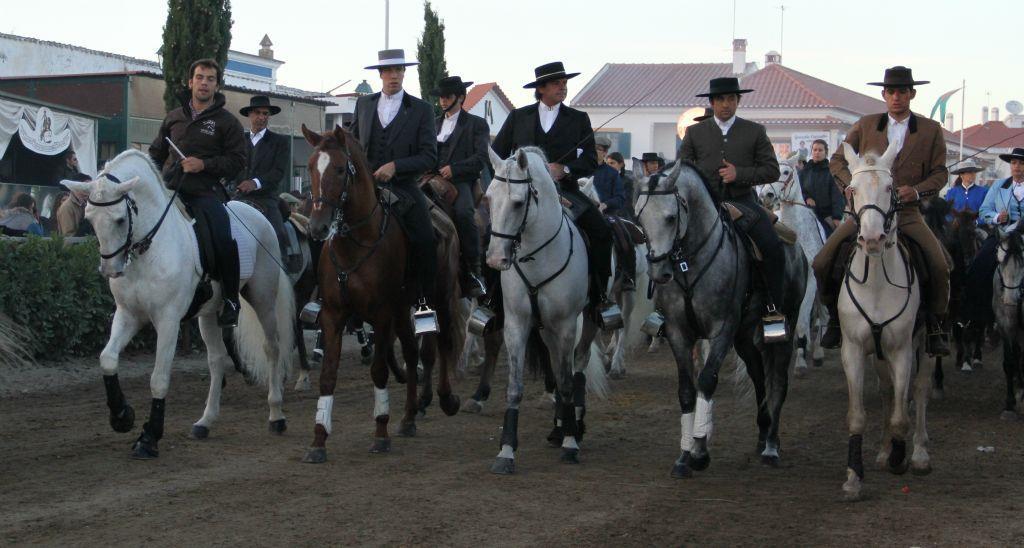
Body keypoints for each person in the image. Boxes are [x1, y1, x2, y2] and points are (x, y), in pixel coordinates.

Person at [815, 66, 951, 355]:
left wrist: (915, 191)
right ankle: (835, 323)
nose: (897, 97)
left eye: (903, 91)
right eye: (891, 92)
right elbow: (838, 161)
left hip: (908, 213)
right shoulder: (864, 125)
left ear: (912, 94)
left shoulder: (930, 130)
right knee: (821, 262)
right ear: (884, 94)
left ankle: (936, 325)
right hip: (865, 214)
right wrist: (849, 187)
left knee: (940, 265)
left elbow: (940, 174)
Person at [492, 61, 614, 309]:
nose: (563, 88)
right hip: (522, 193)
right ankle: (492, 301)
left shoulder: (578, 118)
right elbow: (498, 154)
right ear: (541, 88)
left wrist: (566, 168)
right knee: (492, 235)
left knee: (601, 231)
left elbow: (590, 158)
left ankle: (600, 296)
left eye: (564, 83)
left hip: (567, 190)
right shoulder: (518, 117)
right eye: (557, 83)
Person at [149, 58, 247, 328]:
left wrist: (203, 164)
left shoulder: (227, 122)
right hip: (171, 191)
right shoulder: (173, 117)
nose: (204, 82)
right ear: (190, 81)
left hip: (205, 193)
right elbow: (155, 155)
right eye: (200, 77)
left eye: (210, 78)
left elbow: (238, 161)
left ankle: (230, 301)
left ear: (217, 84)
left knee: (223, 236)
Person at [679, 76, 784, 316]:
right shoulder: (695, 133)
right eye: (720, 99)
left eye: (730, 99)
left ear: (738, 101)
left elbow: (772, 170)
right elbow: (682, 169)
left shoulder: (755, 131)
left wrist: (740, 174)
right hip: (703, 205)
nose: (726, 104)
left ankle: (773, 308)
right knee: (669, 245)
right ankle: (666, 311)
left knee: (772, 246)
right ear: (713, 102)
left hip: (744, 203)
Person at [350, 49, 439, 316]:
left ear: (404, 73)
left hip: (404, 187)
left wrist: (396, 166)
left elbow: (429, 156)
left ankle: (423, 303)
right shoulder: (363, 105)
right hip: (365, 187)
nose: (394, 76)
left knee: (425, 238)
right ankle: (324, 297)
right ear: (380, 74)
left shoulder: (422, 109)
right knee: (327, 227)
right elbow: (353, 144)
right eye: (389, 71)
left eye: (399, 70)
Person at [430, 75, 489, 298]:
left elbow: (481, 157)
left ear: (460, 98)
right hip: (430, 178)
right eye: (441, 98)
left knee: (464, 213)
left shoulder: (476, 124)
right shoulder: (433, 123)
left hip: (460, 180)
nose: (443, 101)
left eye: (448, 97)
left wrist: (454, 169)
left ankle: (474, 271)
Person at [232, 95, 298, 272]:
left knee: (277, 233)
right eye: (258, 113)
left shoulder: (279, 142)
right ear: (250, 115)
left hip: (266, 198)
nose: (262, 117)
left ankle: (282, 267)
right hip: (237, 196)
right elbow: (231, 166)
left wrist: (255, 183)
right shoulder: (238, 140)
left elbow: (278, 172)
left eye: (265, 114)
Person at [964, 148, 1024, 326]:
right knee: (978, 266)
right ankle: (976, 318)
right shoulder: (999, 186)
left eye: (1021, 163)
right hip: (1003, 234)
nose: (1017, 167)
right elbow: (984, 211)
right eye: (1014, 163)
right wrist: (997, 217)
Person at [592, 136, 636, 291]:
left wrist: (605, 204)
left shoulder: (611, 173)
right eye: (594, 148)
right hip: (581, 212)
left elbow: (620, 198)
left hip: (606, 214)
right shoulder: (579, 169)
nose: (595, 151)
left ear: (605, 153)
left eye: (599, 149)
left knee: (624, 239)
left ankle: (628, 276)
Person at [799, 139, 845, 235]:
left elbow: (837, 195)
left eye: (820, 150)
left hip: (827, 216)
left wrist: (836, 217)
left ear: (826, 152)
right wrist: (806, 198)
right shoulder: (805, 171)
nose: (817, 152)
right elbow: (799, 189)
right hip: (807, 215)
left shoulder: (831, 172)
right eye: (815, 150)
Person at [605, 151, 634, 219]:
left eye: (612, 163)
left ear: (621, 164)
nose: (609, 166)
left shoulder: (627, 181)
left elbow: (625, 203)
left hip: (621, 218)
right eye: (607, 163)